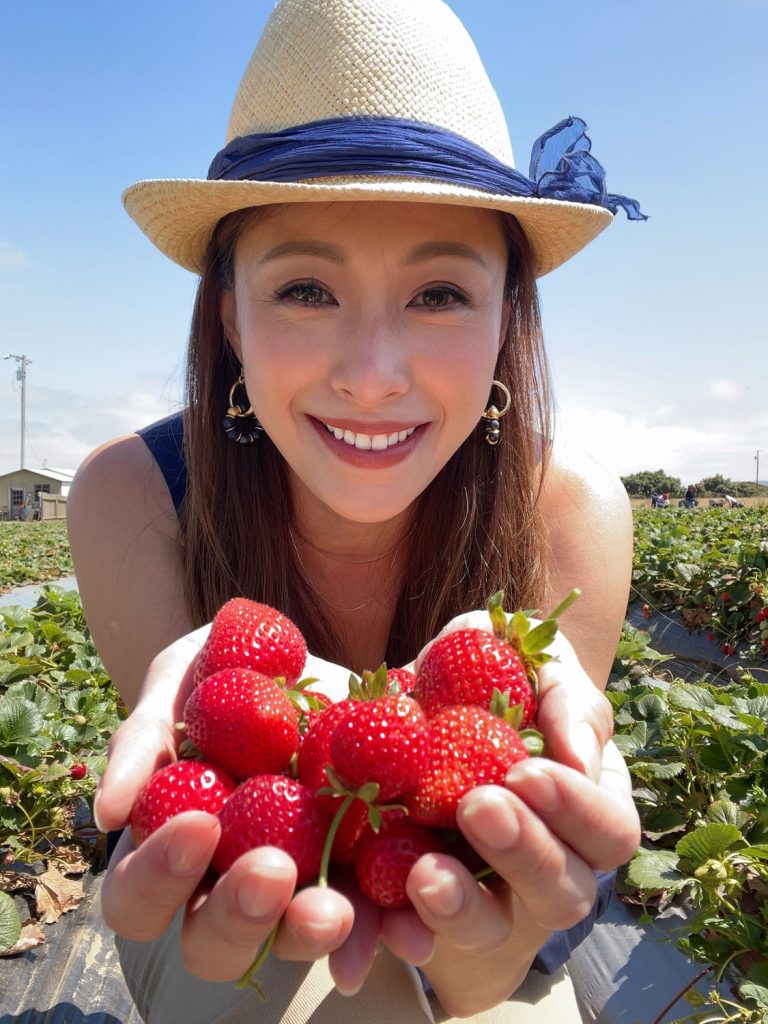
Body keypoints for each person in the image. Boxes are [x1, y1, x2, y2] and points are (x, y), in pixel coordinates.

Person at [67, 1, 644, 1020]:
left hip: (475, 920)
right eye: (304, 290)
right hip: (233, 897)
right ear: (229, 315)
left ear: (507, 315)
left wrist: (479, 956)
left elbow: (497, 922)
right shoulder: (134, 496)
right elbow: (212, 834)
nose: (374, 378)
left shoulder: (571, 512)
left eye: (439, 296)